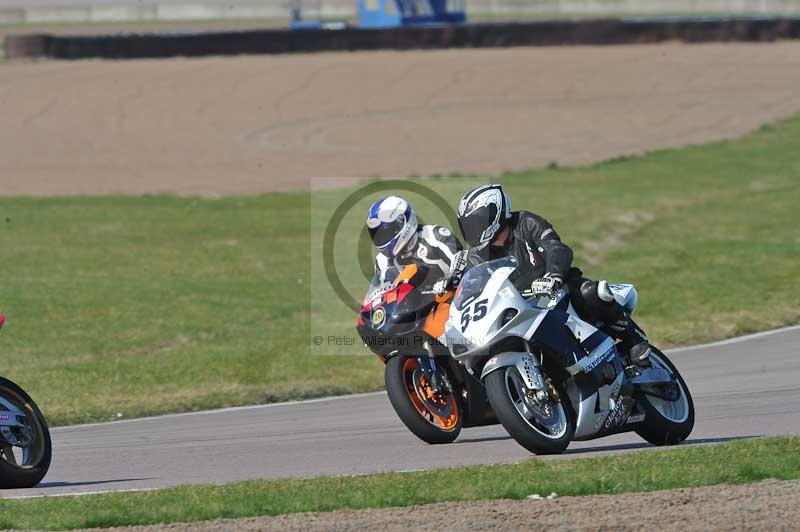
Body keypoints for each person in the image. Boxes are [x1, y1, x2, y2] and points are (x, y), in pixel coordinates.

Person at [455, 184, 652, 366]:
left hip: (558, 287)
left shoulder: (526, 222)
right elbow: (477, 286)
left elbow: (557, 248)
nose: (473, 229)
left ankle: (634, 338)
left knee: (592, 292)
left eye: (477, 222)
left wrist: (553, 275)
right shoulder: (477, 255)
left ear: (494, 214)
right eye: (468, 225)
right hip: (522, 305)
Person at [366, 195, 463, 293]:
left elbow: (463, 267)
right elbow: (382, 298)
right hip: (410, 308)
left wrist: (450, 280)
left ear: (402, 222)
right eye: (377, 235)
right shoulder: (382, 261)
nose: (382, 239)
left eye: (386, 232)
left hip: (449, 303)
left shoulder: (435, 237)